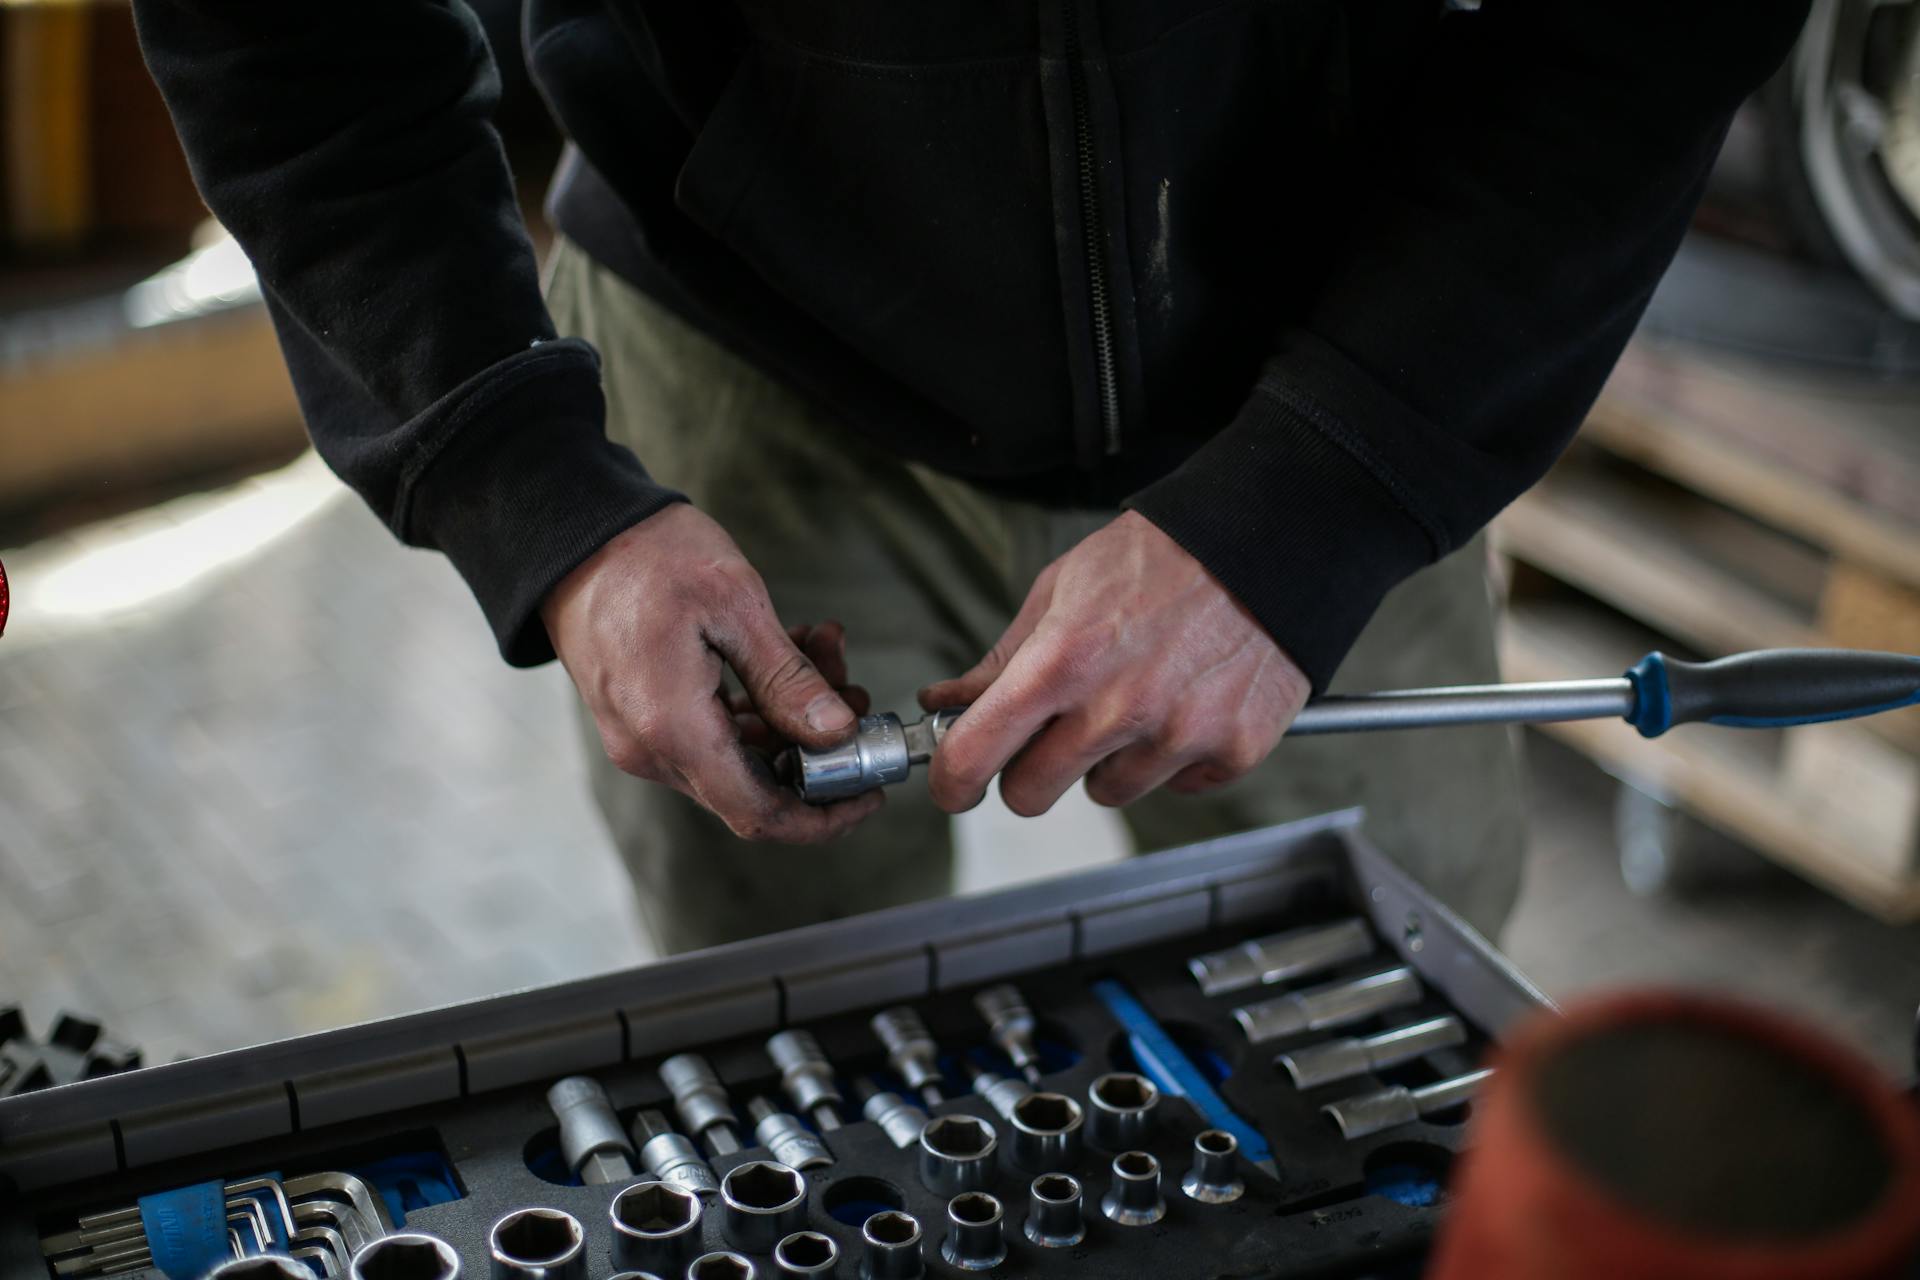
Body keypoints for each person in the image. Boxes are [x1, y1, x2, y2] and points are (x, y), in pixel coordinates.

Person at [133, 0, 1808, 953]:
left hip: (1344, 348)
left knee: (1388, 1003)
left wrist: (1327, 493)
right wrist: (539, 501)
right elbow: (287, 47)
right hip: (741, 343)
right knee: (787, 1047)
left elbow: (1646, 33)